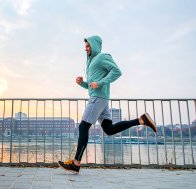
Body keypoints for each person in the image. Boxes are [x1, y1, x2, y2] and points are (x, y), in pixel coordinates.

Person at [58, 35, 157, 173]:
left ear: (94, 45)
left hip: (98, 98)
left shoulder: (102, 57)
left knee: (83, 127)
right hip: (100, 98)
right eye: (85, 47)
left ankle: (76, 163)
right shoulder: (90, 62)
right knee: (109, 129)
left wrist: (100, 82)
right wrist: (82, 84)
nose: (85, 49)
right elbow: (92, 86)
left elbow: (117, 72)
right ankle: (141, 120)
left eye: (88, 46)